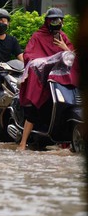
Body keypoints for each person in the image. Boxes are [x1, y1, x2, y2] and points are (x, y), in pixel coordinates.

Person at [17, 8, 75, 150]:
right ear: (47, 22)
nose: (57, 23)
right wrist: (40, 63)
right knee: (35, 109)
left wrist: (64, 47)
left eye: (60, 20)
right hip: (42, 79)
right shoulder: (37, 36)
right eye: (54, 20)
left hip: (59, 79)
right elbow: (29, 55)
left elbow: (72, 56)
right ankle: (23, 143)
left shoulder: (63, 37)